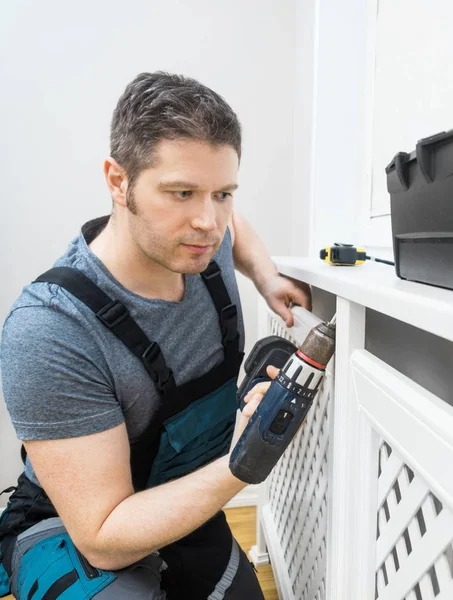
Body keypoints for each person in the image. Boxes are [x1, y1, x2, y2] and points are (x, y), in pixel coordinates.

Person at [0, 72, 311, 600]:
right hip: (78, 527)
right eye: (181, 192)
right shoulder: (51, 329)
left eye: (223, 193)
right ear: (118, 182)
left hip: (178, 498)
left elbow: (235, 229)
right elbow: (101, 536)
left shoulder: (204, 237)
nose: (208, 222)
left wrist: (264, 275)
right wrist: (244, 461)